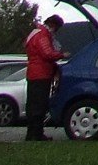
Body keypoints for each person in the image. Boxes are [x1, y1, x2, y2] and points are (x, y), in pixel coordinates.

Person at [23, 12, 66, 141]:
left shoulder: (35, 32)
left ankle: (31, 132)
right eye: (57, 28)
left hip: (32, 73)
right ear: (53, 25)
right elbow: (47, 53)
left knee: (32, 104)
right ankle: (37, 133)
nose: (56, 32)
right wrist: (62, 55)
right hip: (41, 74)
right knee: (40, 105)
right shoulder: (43, 35)